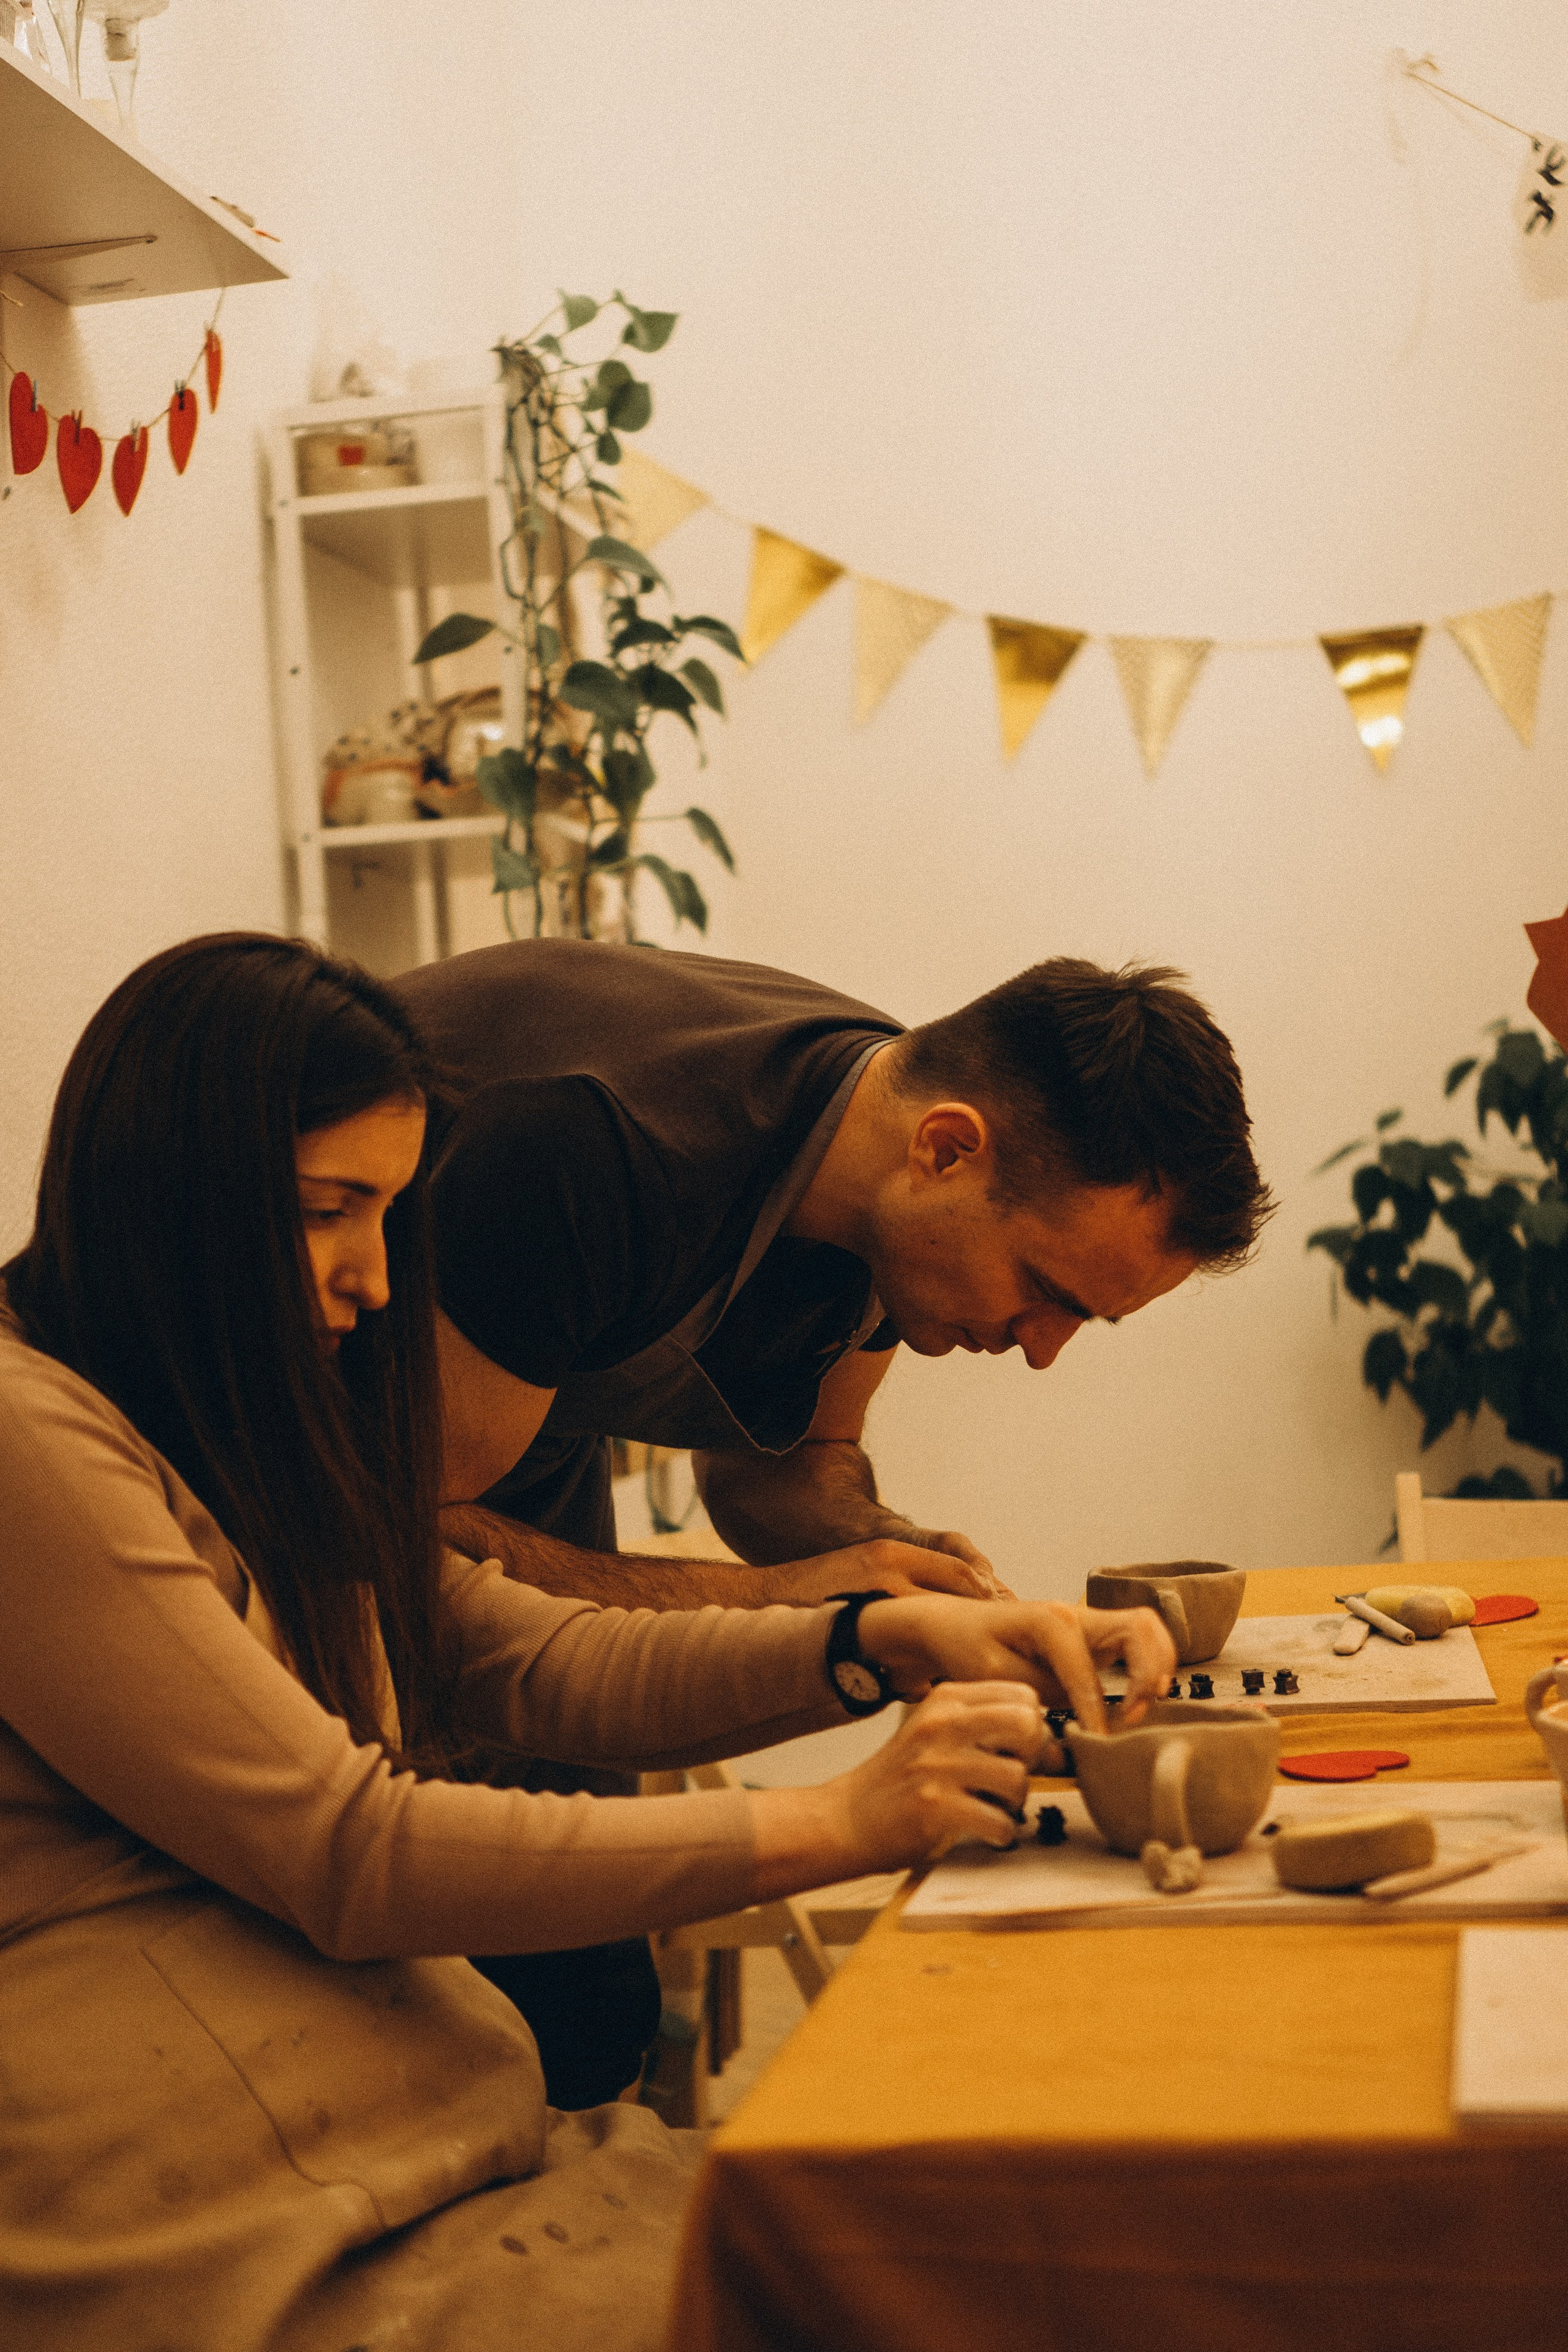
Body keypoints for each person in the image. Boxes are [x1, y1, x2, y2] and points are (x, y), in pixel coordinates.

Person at [0, 932, 1175, 2352]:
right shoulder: (30, 1440)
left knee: (996, 2241)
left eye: (384, 1217)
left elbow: (525, 1655)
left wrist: (875, 1638)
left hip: (442, 2156)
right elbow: (345, 1849)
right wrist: (845, 1820)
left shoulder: (227, 1418)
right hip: (257, 2230)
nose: (374, 1284)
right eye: (328, 1211)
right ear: (166, 1193)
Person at [393, 939, 1273, 2099]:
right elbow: (419, 1536)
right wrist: (806, 1602)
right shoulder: (591, 1151)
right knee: (487, 2008)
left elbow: (783, 1483)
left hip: (515, 1434)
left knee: (590, 1996)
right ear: (947, 1150)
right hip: (280, 1468)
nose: (1042, 1351)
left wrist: (905, 1572)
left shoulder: (880, 1178)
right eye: (1048, 1292)